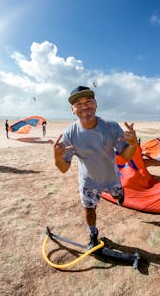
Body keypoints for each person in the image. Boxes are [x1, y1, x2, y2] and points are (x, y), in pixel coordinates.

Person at [54, 86, 137, 249]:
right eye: (78, 103)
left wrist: (133, 144)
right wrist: (57, 157)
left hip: (112, 178)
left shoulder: (111, 127)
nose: (84, 106)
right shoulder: (69, 134)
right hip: (88, 182)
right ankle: (93, 234)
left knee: (118, 195)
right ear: (72, 109)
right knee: (89, 210)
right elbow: (63, 168)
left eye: (88, 101)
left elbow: (126, 156)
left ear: (96, 104)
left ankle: (120, 194)